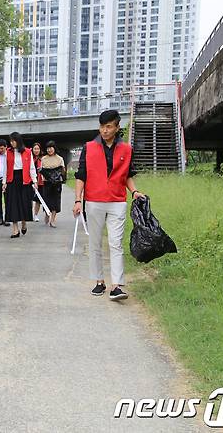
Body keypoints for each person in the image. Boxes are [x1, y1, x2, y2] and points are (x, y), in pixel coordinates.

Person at [73, 110, 145, 301]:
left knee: (116, 243)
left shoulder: (126, 149)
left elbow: (128, 174)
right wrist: (78, 200)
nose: (104, 130)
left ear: (116, 127)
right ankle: (99, 281)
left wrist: (135, 192)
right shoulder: (88, 148)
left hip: (117, 201)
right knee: (95, 243)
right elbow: (81, 175)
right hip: (94, 201)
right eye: (102, 126)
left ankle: (117, 286)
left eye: (109, 127)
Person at [2, 132, 38, 238]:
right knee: (12, 204)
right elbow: (5, 168)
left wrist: (35, 181)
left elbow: (31, 167)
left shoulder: (27, 152)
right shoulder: (8, 152)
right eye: (11, 141)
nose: (12, 143)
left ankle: (24, 222)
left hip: (24, 180)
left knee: (24, 203)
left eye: (14, 140)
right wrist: (4, 182)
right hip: (12, 180)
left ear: (18, 141)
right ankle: (15, 230)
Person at [40, 140, 65, 228]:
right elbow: (41, 171)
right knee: (47, 201)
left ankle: (53, 220)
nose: (49, 150)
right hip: (47, 183)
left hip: (57, 183)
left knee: (56, 202)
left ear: (54, 148)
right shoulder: (43, 159)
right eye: (48, 148)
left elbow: (63, 171)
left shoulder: (60, 159)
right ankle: (47, 214)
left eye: (51, 148)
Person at [0, 139, 10, 226]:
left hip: (7, 180)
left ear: (6, 147)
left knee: (7, 199)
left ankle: (7, 218)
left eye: (2, 148)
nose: (0, 150)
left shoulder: (10, 155)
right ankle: (0, 218)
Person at [31, 142, 45, 222]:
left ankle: (36, 214)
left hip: (40, 182)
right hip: (31, 181)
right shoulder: (30, 158)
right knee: (30, 198)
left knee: (38, 200)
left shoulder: (42, 158)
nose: (36, 150)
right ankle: (28, 214)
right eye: (35, 149)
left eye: (38, 149)